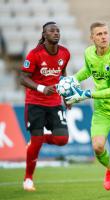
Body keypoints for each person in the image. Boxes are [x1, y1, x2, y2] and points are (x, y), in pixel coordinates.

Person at [65, 22, 110, 197]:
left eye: (106, 33)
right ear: (92, 38)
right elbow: (89, 70)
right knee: (98, 147)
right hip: (103, 109)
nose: (103, 37)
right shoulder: (89, 53)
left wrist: (86, 94)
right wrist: (73, 80)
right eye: (99, 34)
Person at [20, 22, 70, 191]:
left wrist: (66, 95)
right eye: (52, 31)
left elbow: (62, 73)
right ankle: (28, 179)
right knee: (36, 142)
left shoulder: (65, 53)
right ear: (44, 34)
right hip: (35, 103)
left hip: (55, 103)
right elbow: (23, 78)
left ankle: (37, 141)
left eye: (58, 30)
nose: (56, 33)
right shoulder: (35, 54)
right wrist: (42, 88)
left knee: (62, 139)